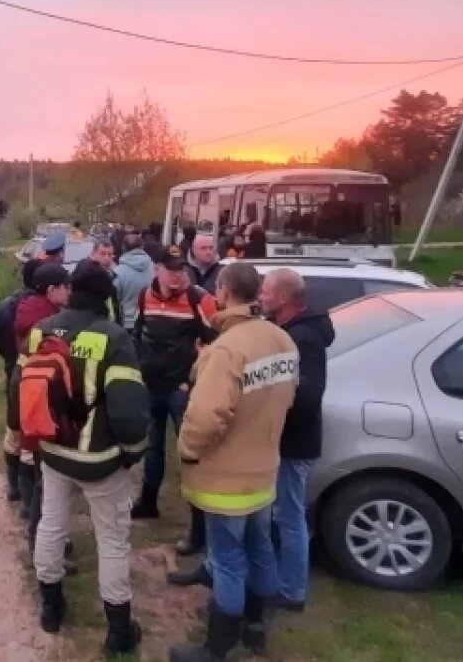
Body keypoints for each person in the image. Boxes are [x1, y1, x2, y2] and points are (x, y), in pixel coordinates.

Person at [169, 263, 299, 662]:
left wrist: (188, 451)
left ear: (223, 292)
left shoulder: (227, 349)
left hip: (226, 480)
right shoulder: (281, 339)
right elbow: (288, 396)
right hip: (264, 470)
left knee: (227, 559)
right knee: (261, 547)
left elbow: (206, 416)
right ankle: (256, 627)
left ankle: (217, 648)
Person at [27, 260, 151, 658]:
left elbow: (26, 386)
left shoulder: (42, 330)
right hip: (99, 459)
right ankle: (119, 630)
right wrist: (133, 453)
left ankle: (51, 606)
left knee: (51, 525)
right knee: (112, 540)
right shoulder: (113, 338)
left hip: (52, 450)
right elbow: (129, 415)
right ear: (106, 296)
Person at [259, 268, 335, 612]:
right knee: (283, 513)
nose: (261, 296)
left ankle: (292, 592)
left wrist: (271, 399)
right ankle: (280, 578)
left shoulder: (303, 338)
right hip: (288, 441)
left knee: (290, 516)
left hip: (294, 443)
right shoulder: (292, 330)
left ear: (284, 298)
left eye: (265, 292)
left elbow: (307, 395)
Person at [131, 245, 218, 522]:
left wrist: (191, 379)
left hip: (181, 390)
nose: (177, 275)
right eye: (171, 270)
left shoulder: (198, 299)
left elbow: (217, 342)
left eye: (181, 269)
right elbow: (137, 334)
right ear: (157, 270)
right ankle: (148, 503)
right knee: (153, 447)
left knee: (190, 453)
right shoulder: (144, 296)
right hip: (150, 386)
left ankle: (199, 519)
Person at [13, 264, 72, 526]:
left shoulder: (25, 311)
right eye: (65, 287)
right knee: (44, 476)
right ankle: (40, 533)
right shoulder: (49, 325)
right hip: (41, 406)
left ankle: (28, 511)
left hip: (24, 398)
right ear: (52, 290)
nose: (70, 292)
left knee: (32, 462)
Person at [0, 259, 44, 503]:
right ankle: (28, 499)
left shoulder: (6, 305)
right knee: (31, 434)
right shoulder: (42, 309)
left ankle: (13, 486)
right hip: (33, 375)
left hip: (12, 370)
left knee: (13, 428)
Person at [114, 229, 153, 327]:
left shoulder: (118, 272)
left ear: (123, 248)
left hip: (127, 323)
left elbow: (114, 300)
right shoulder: (155, 268)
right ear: (142, 247)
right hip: (149, 320)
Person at [90, 238, 122, 324]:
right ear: (93, 254)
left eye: (110, 254)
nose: (107, 258)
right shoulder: (87, 278)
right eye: (103, 254)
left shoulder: (113, 277)